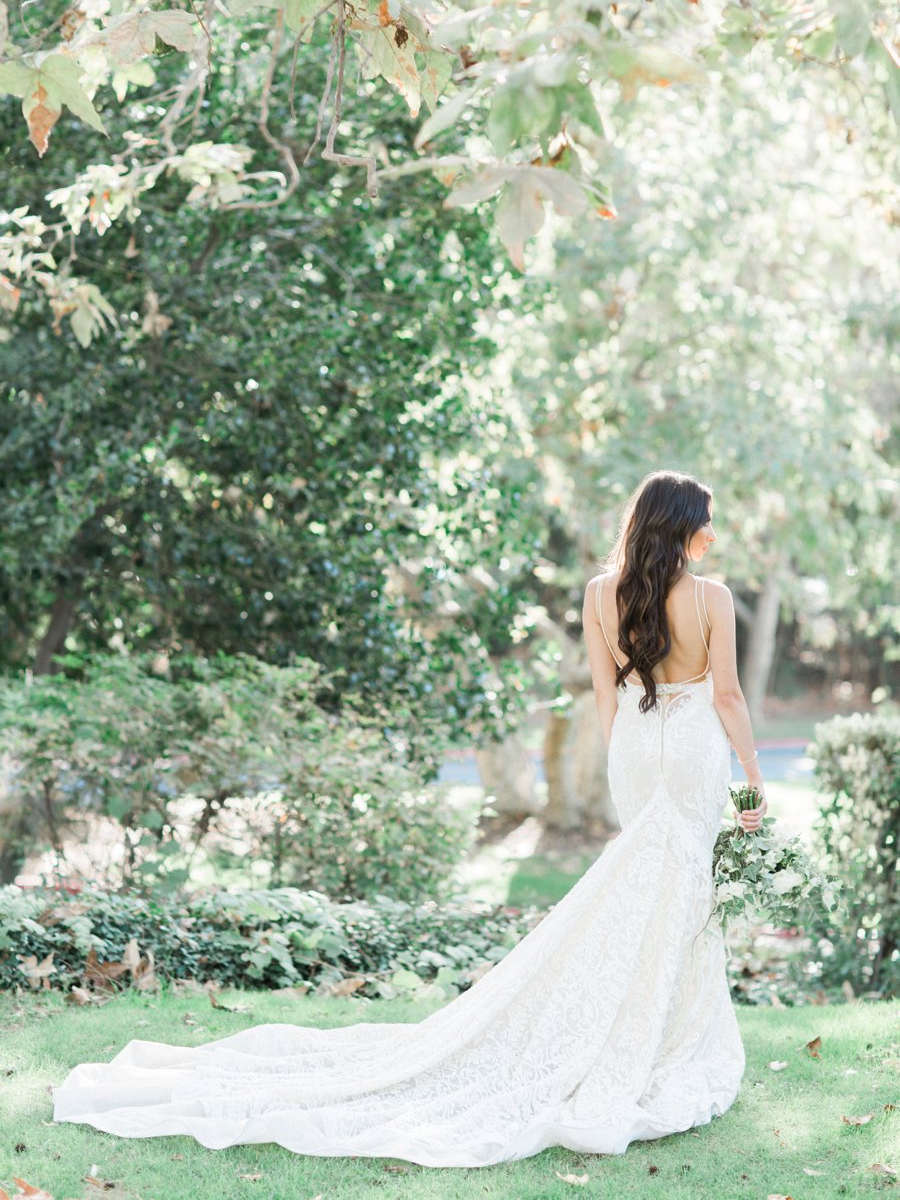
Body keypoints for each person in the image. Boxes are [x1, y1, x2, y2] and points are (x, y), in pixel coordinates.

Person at [52, 469, 764, 1168]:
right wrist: (752, 783)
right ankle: (663, 1042)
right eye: (704, 519)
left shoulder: (601, 594)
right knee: (680, 892)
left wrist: (621, 762)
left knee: (645, 886)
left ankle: (649, 1031)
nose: (712, 533)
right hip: (695, 744)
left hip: (636, 746)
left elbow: (607, 697)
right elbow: (727, 696)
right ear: (681, 526)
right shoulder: (712, 598)